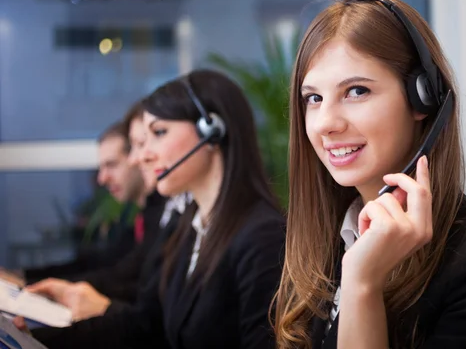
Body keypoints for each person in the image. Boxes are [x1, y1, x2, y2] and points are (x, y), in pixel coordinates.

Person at [273, 0, 466, 349]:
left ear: (423, 99)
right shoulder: (321, 242)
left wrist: (362, 285)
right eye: (314, 98)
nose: (326, 123)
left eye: (356, 91)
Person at [30, 69, 286, 349]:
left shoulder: (261, 236)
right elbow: (148, 324)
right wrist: (30, 341)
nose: (142, 156)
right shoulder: (192, 226)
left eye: (159, 133)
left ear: (212, 131)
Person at [21, 102, 180, 321]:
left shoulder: (173, 216)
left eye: (112, 165)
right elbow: (107, 264)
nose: (139, 157)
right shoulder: (147, 215)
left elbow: (130, 285)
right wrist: (28, 281)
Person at [0, 122, 147, 287]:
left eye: (111, 165)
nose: (102, 178)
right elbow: (100, 264)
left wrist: (30, 284)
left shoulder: (161, 219)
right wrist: (25, 277)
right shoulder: (140, 217)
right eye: (101, 167)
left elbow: (119, 279)